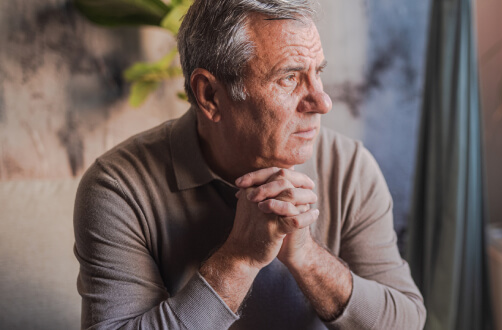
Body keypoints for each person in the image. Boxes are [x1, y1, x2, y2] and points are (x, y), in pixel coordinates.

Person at [72, 0, 426, 329]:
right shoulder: (118, 187)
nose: (322, 101)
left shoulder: (350, 168)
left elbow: (407, 320)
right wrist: (238, 259)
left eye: (317, 72)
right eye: (289, 77)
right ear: (210, 95)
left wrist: (307, 257)